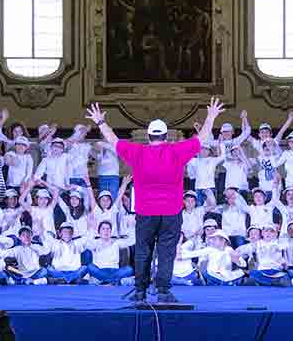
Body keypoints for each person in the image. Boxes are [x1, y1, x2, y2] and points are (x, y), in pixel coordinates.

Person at [85, 97, 223, 302]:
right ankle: (163, 292)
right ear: (166, 136)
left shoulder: (137, 152)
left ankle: (140, 291)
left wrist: (100, 121)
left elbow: (113, 140)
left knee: (143, 251)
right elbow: (201, 139)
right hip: (170, 212)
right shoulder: (176, 150)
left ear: (149, 137)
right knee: (167, 252)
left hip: (145, 212)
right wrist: (211, 117)